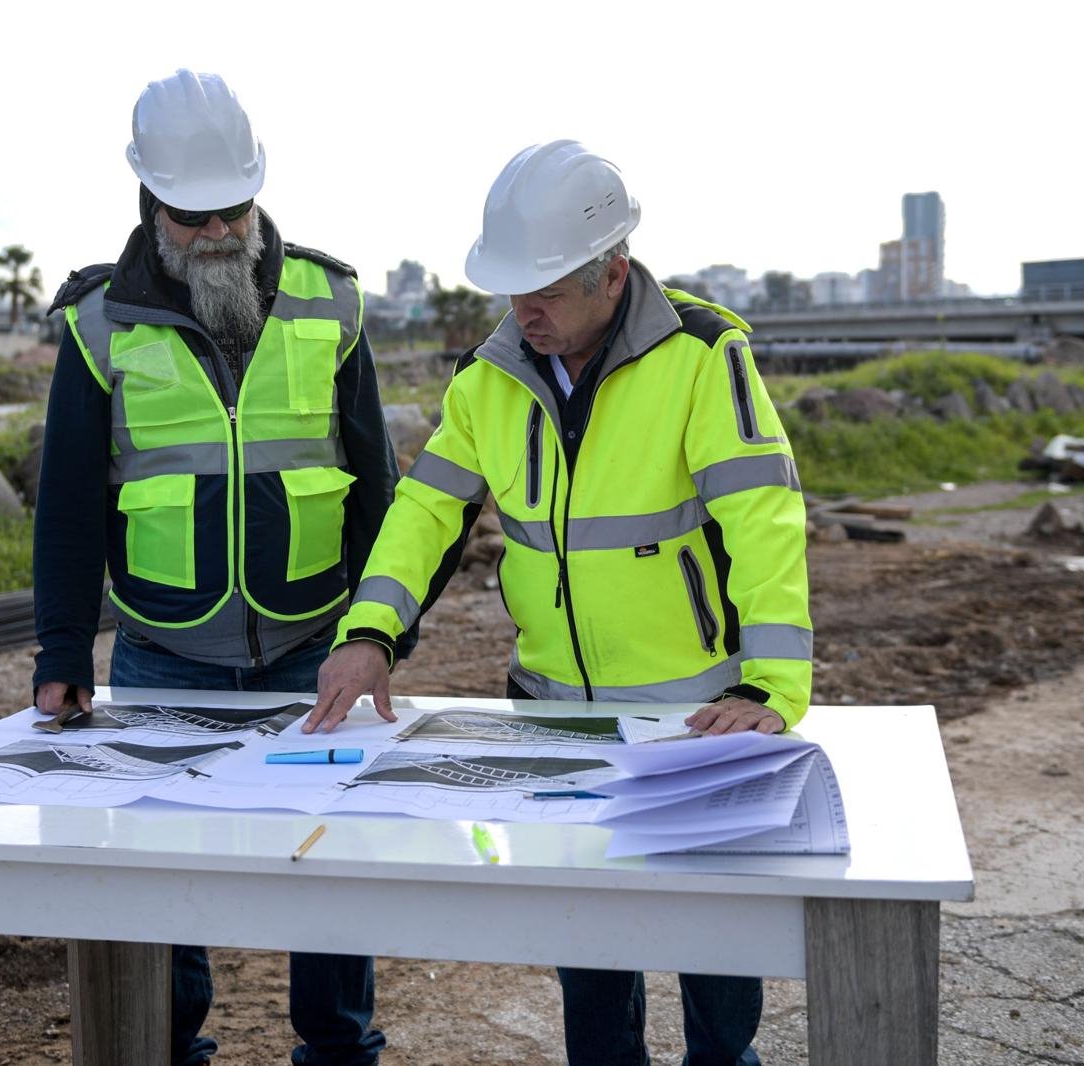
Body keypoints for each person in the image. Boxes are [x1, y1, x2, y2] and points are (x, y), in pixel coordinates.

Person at [309, 140, 813, 1066]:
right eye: (513, 290)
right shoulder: (488, 375)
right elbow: (426, 512)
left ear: (613, 273)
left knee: (717, 984)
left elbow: (765, 521)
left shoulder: (704, 357)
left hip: (694, 722)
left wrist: (774, 689)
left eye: (544, 291)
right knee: (591, 966)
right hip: (552, 721)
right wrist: (371, 631)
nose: (523, 311)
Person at [31, 70, 399, 1066]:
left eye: (231, 210)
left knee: (328, 870)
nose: (217, 233)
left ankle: (338, 1050)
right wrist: (62, 647)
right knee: (165, 878)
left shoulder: (331, 302)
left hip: (310, 650)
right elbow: (67, 503)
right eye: (193, 218)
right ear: (151, 206)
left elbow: (377, 484)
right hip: (162, 655)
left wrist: (376, 635)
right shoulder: (99, 324)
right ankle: (169, 1048)